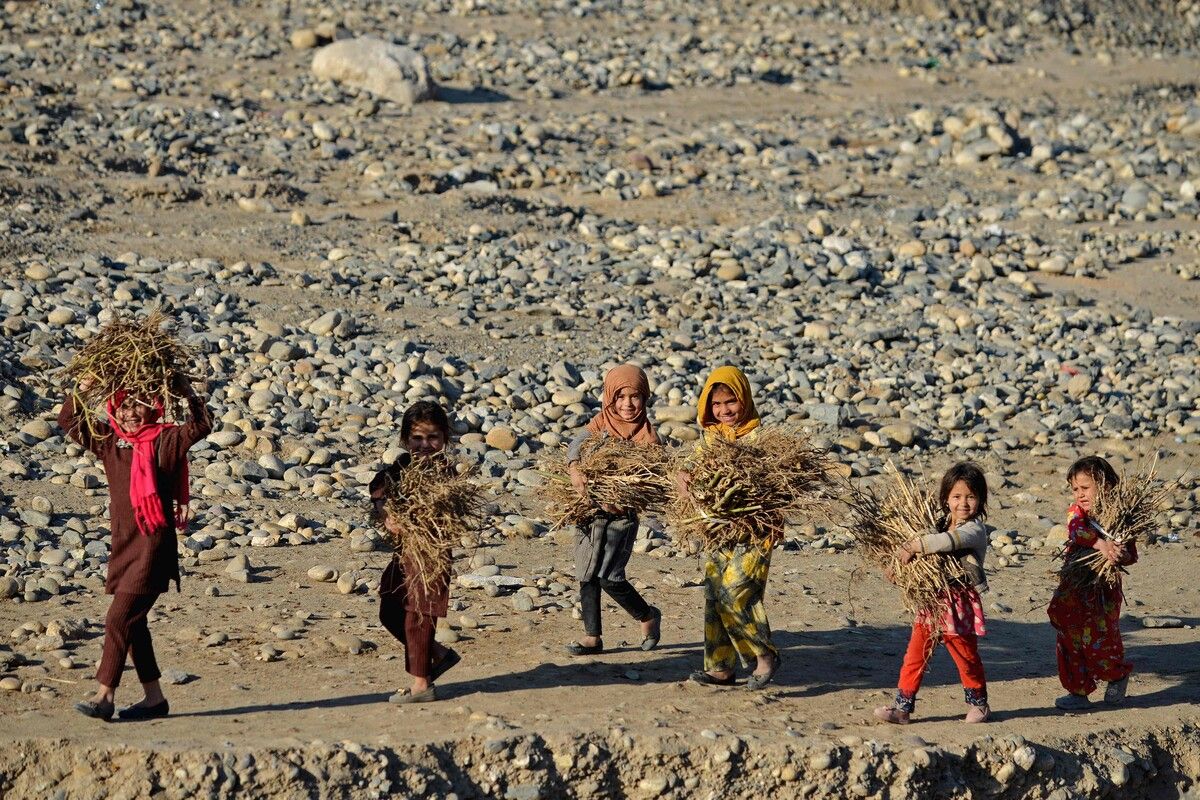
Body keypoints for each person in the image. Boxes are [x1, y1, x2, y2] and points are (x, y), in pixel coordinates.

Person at [60, 374, 211, 721]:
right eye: (123, 405)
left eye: (137, 405)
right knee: (134, 624)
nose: (129, 413)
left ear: (152, 407)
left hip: (152, 546)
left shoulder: (167, 441)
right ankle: (154, 699)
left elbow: (202, 424)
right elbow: (69, 419)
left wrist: (186, 391)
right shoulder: (110, 443)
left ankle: (104, 696)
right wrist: (83, 388)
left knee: (118, 618)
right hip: (124, 545)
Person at [681, 366, 780, 690]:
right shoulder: (710, 440)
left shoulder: (761, 439)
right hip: (720, 531)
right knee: (713, 596)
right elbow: (690, 470)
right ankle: (720, 668)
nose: (724, 411)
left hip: (754, 531)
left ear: (745, 399)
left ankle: (764, 655)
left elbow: (777, 484)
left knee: (736, 593)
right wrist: (683, 477)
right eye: (717, 405)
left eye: (731, 402)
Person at [873, 462, 992, 725]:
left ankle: (979, 704)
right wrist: (899, 568)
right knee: (915, 655)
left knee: (965, 656)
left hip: (958, 602)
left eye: (971, 497)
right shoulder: (935, 525)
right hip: (931, 601)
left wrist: (915, 545)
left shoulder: (974, 530)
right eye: (957, 496)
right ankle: (902, 708)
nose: (963, 503)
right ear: (945, 499)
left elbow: (947, 542)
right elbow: (923, 560)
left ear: (981, 500)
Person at [563, 364, 663, 656]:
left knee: (610, 576)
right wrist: (574, 469)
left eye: (635, 397)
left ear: (644, 398)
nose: (627, 404)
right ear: (609, 398)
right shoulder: (600, 423)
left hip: (621, 518)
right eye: (620, 397)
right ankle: (592, 637)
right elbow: (576, 446)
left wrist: (619, 497)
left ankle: (647, 615)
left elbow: (650, 483)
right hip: (589, 513)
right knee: (587, 573)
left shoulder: (648, 439)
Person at [369, 401, 461, 703]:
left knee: (418, 615)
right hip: (403, 553)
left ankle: (422, 685)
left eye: (433, 437)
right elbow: (379, 492)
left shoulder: (445, 477)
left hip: (431, 554)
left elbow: (449, 511)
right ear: (405, 440)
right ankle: (437, 654)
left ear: (444, 438)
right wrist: (387, 514)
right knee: (390, 609)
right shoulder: (398, 470)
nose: (425, 445)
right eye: (417, 439)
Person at [1047, 456, 1136, 711]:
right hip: (1074, 586)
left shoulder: (1120, 519)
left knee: (1102, 636)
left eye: (1085, 488)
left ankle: (1117, 675)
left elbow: (1131, 555)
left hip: (1102, 590)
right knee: (1069, 633)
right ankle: (1077, 691)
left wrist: (1120, 555)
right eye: (1075, 489)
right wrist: (1102, 545)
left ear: (1105, 485)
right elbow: (1076, 530)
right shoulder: (1077, 512)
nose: (1079, 494)